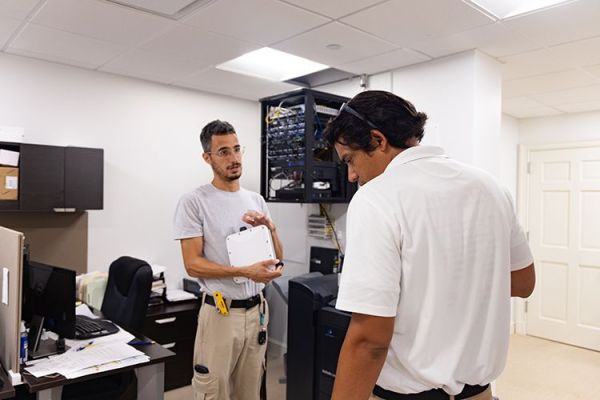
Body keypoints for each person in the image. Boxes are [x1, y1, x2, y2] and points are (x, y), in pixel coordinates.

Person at [325, 91, 536, 400]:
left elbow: (369, 340)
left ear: (378, 140)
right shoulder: (490, 186)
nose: (352, 175)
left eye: (350, 160)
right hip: (479, 392)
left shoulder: (375, 198)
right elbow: (523, 282)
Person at [173, 120, 283, 400]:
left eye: (236, 149)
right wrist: (246, 272)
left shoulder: (256, 200)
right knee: (213, 392)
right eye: (223, 152)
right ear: (207, 157)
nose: (234, 158)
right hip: (221, 315)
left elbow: (277, 258)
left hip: (257, 313)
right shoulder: (195, 201)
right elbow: (193, 264)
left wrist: (270, 228)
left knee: (250, 392)